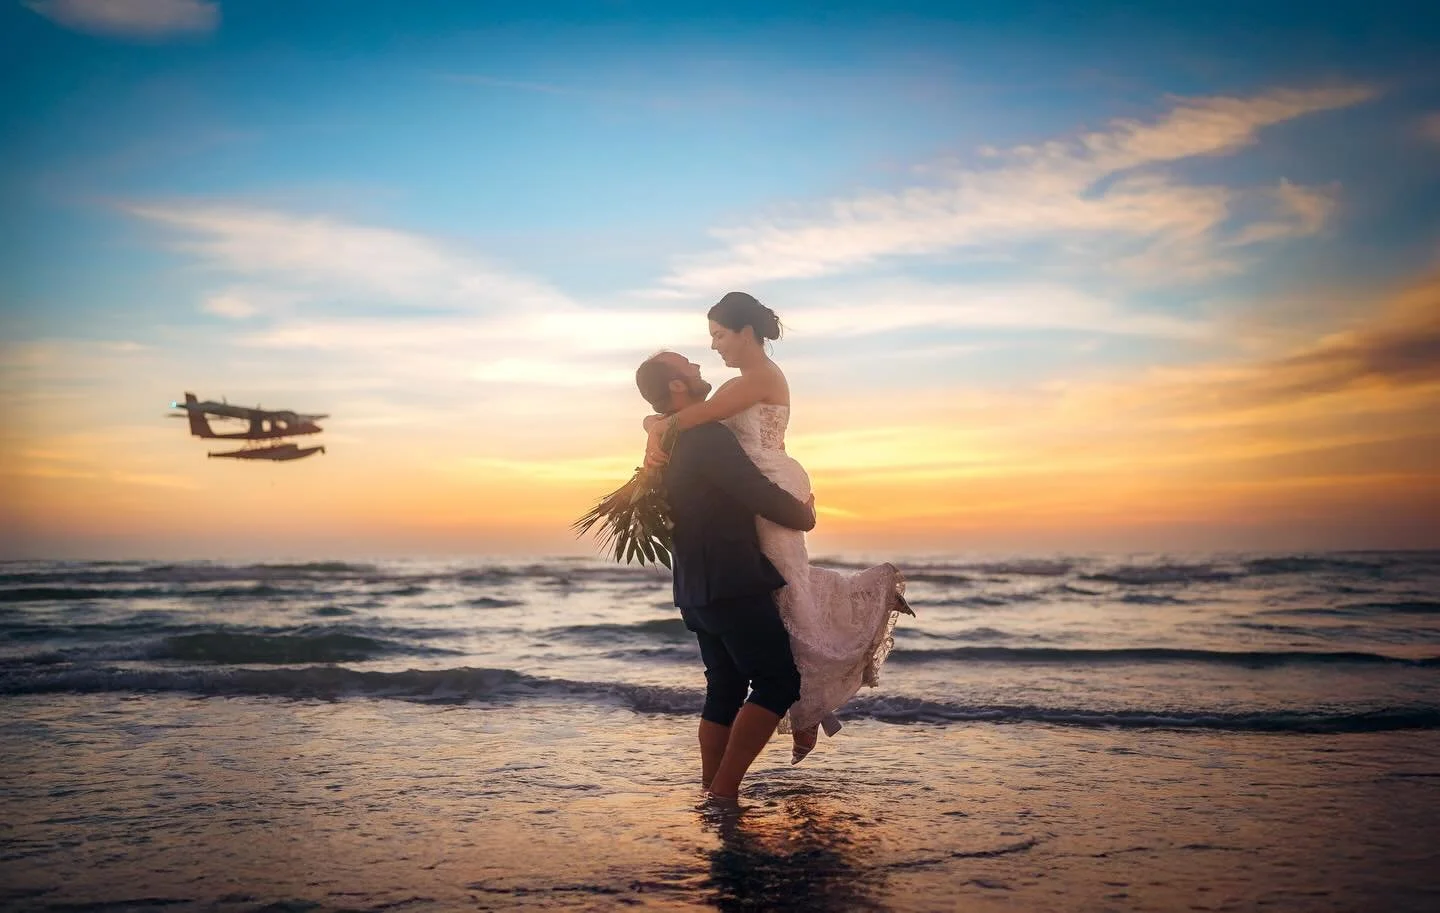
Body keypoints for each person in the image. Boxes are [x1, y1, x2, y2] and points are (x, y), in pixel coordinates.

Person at [643, 291, 910, 765]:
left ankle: (805, 710)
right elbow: (690, 422)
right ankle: (803, 713)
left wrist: (654, 425)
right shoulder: (738, 386)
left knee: (786, 595)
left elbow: (692, 419)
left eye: (719, 335)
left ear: (746, 333)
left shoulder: (757, 379)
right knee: (781, 598)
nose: (714, 347)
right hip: (758, 489)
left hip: (770, 486)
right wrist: (656, 424)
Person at [635, 350, 818, 800]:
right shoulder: (704, 437)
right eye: (689, 367)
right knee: (778, 682)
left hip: (694, 587)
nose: (699, 368)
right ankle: (723, 790)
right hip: (731, 579)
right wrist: (805, 516)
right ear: (677, 386)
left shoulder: (670, 441)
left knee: (727, 684)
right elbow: (753, 490)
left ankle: (711, 788)